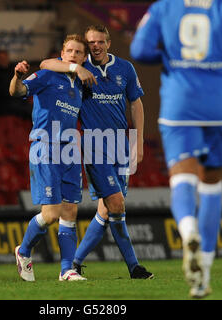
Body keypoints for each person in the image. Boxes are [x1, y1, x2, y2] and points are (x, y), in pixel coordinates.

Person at [130, 0, 222, 298]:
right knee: (211, 183)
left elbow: (139, 51)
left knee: (181, 177)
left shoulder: (164, 7)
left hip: (180, 99)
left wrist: (170, 56)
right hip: (218, 101)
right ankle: (204, 277)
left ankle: (188, 233)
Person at [40, 25, 153, 280]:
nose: (96, 46)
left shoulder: (125, 68)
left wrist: (138, 141)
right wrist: (75, 68)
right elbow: (46, 64)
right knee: (116, 203)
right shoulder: (81, 65)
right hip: (95, 145)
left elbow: (136, 103)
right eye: (91, 42)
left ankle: (75, 263)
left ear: (108, 43)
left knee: (106, 210)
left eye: (100, 42)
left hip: (121, 145)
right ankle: (134, 267)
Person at [10, 34, 88, 281]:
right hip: (46, 144)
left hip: (70, 149)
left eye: (78, 52)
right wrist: (17, 76)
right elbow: (18, 91)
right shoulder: (48, 74)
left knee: (70, 211)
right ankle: (23, 251)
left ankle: (67, 270)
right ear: (62, 53)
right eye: (69, 51)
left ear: (84, 58)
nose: (73, 55)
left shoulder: (81, 83)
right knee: (51, 214)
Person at [0, 49, 32, 118]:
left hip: (17, 100)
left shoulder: (13, 70)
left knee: (34, 108)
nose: (4, 60)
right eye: (1, 59)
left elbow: (21, 86)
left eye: (6, 58)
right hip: (1, 103)